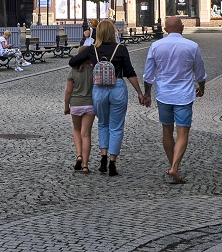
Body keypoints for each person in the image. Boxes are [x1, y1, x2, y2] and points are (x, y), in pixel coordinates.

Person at [70, 18, 146, 176]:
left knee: (103, 124)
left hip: (99, 90)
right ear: (112, 32)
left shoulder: (92, 50)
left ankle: (103, 158)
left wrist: (87, 62)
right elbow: (130, 72)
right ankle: (112, 162)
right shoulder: (121, 49)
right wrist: (139, 92)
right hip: (117, 87)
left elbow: (72, 61)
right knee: (116, 127)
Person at [141, 16, 207, 184]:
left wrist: (147, 94)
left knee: (167, 130)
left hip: (164, 94)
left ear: (165, 29)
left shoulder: (156, 46)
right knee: (183, 132)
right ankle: (175, 168)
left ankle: (172, 165)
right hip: (184, 95)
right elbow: (200, 72)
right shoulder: (192, 46)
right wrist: (202, 87)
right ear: (182, 28)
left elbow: (148, 75)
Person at [63, 59, 96, 173]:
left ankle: (79, 155)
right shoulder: (93, 70)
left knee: (77, 130)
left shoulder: (73, 71)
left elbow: (68, 91)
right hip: (90, 103)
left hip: (76, 104)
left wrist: (67, 106)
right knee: (86, 134)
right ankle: (85, 165)